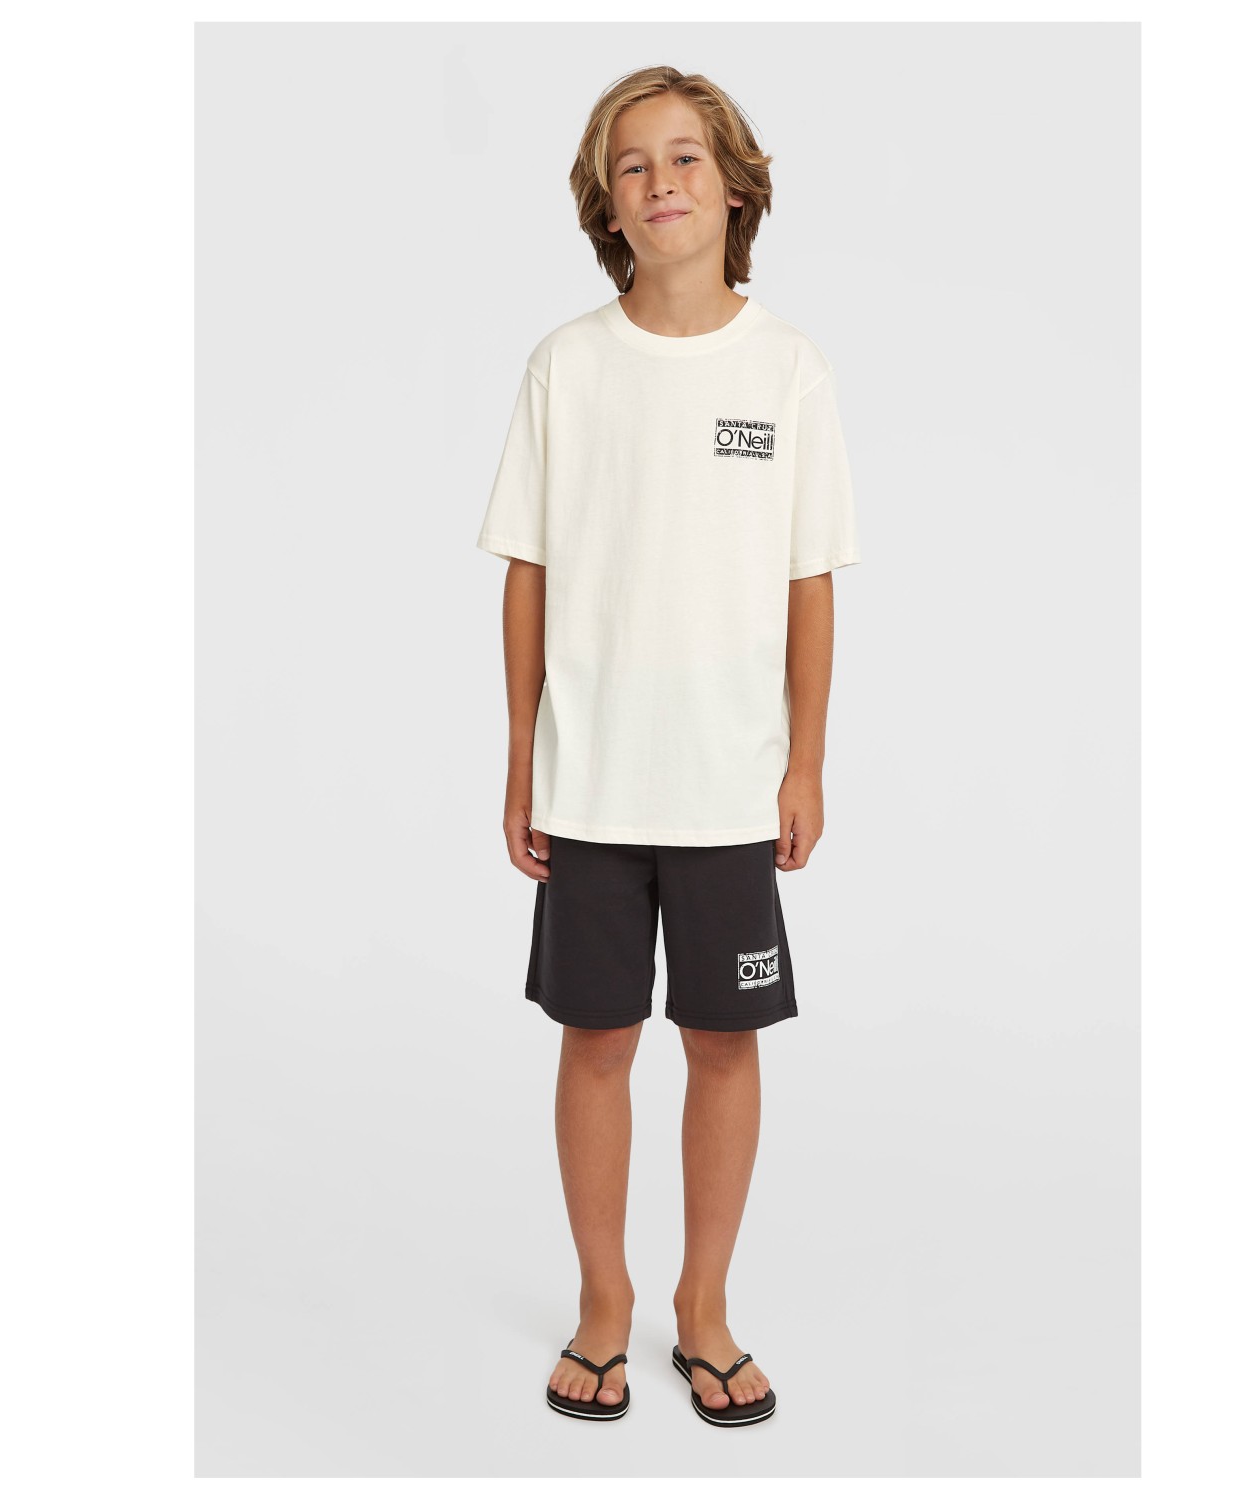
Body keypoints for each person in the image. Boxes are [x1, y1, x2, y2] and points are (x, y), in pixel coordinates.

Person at [475, 65, 860, 1427]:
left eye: (685, 156)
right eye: (632, 165)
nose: (661, 181)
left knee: (723, 1043)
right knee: (595, 1041)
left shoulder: (789, 369)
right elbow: (526, 573)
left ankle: (703, 1307)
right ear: (607, 207)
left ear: (735, 187)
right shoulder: (567, 367)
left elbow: (811, 583)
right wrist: (521, 760)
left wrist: (805, 762)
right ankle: (604, 1302)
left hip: (727, 786)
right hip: (590, 780)